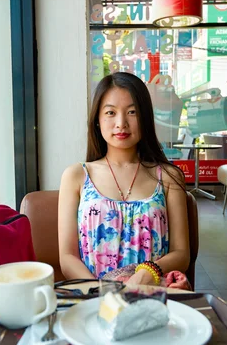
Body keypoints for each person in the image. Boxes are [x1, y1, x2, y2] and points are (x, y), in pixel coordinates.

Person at [58, 72, 190, 287]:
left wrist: (148, 272)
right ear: (98, 121)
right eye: (110, 112)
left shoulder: (168, 177)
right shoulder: (77, 176)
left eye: (132, 112)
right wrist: (100, 292)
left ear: (145, 119)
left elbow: (181, 253)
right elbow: (67, 257)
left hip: (151, 294)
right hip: (95, 301)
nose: (121, 123)